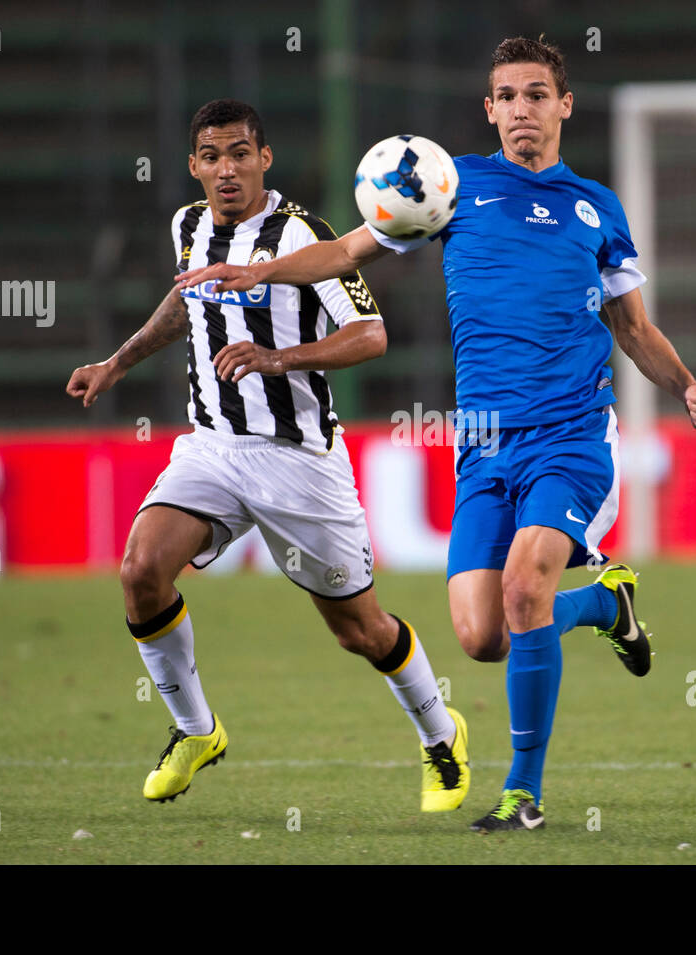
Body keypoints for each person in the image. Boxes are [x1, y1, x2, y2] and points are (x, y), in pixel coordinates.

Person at [177, 39, 696, 833]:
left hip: (568, 436)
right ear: (490, 109)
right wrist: (260, 272)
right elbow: (346, 250)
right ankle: (607, 604)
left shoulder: (596, 207)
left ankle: (522, 794)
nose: (521, 110)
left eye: (537, 94)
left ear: (564, 106)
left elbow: (633, 326)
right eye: (506, 96)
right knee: (481, 635)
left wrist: (688, 386)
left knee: (527, 586)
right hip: (484, 446)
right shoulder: (451, 184)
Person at [66, 99, 469, 811]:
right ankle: (197, 729)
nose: (227, 169)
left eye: (241, 153)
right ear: (194, 166)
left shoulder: (303, 236)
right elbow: (183, 303)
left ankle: (441, 734)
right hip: (212, 450)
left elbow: (370, 334)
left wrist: (278, 359)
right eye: (213, 156)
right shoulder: (186, 226)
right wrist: (116, 361)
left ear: (265, 158)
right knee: (140, 571)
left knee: (360, 631)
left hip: (300, 462)